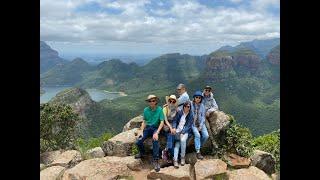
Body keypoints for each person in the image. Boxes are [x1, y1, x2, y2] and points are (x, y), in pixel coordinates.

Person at [135, 95, 164, 172]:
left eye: (153, 100)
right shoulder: (146, 110)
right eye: (150, 101)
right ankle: (142, 153)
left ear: (156, 101)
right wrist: (141, 131)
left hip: (155, 128)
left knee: (155, 140)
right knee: (138, 141)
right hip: (147, 128)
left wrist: (157, 132)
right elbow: (144, 121)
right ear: (148, 102)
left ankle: (156, 160)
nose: (152, 102)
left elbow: (161, 122)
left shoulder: (159, 109)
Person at [172, 101, 193, 168]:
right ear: (183, 107)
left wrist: (182, 132)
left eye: (188, 107)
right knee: (177, 144)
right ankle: (175, 160)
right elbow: (175, 121)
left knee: (183, 140)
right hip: (178, 130)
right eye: (185, 106)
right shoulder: (179, 113)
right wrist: (174, 128)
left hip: (185, 131)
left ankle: (182, 157)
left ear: (190, 107)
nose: (187, 108)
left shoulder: (190, 115)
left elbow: (188, 126)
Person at [191, 91, 209, 160]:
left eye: (199, 97)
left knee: (206, 135)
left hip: (201, 123)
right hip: (193, 124)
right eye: (196, 97)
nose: (198, 99)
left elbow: (203, 117)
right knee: (197, 135)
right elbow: (182, 107)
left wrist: (201, 126)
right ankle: (198, 151)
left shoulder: (202, 106)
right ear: (194, 98)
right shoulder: (191, 104)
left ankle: (198, 146)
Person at [161, 95, 178, 164]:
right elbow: (165, 120)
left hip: (171, 126)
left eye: (173, 101)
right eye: (170, 100)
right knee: (171, 135)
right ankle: (173, 157)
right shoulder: (165, 109)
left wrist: (174, 127)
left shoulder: (175, 110)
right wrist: (171, 128)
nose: (171, 102)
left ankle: (166, 151)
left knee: (171, 136)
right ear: (168, 101)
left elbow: (174, 121)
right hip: (165, 126)